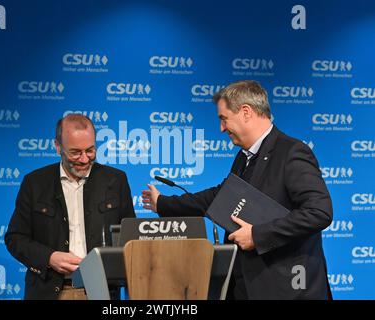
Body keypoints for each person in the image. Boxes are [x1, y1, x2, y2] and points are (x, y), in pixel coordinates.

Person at [142, 80, 333, 300]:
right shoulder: (244, 157)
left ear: (245, 112)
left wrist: (257, 235)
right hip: (247, 286)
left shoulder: (292, 152)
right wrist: (164, 204)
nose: (221, 128)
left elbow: (319, 212)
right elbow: (219, 197)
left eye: (224, 119)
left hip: (289, 289)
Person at [5, 114, 135, 300]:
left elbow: (129, 239)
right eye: (75, 152)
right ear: (58, 147)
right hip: (50, 291)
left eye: (90, 150)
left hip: (101, 291)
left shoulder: (116, 180)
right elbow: (15, 238)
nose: (84, 159)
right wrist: (49, 258)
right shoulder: (35, 183)